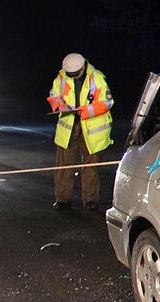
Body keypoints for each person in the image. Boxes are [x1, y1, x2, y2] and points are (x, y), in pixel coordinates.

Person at [46, 53, 114, 210]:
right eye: (71, 75)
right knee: (63, 165)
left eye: (76, 74)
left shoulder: (96, 77)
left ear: (83, 67)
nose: (74, 77)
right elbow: (53, 95)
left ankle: (90, 201)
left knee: (91, 165)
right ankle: (62, 200)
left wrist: (84, 111)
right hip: (68, 127)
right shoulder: (61, 77)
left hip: (91, 128)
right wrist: (60, 106)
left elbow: (107, 102)